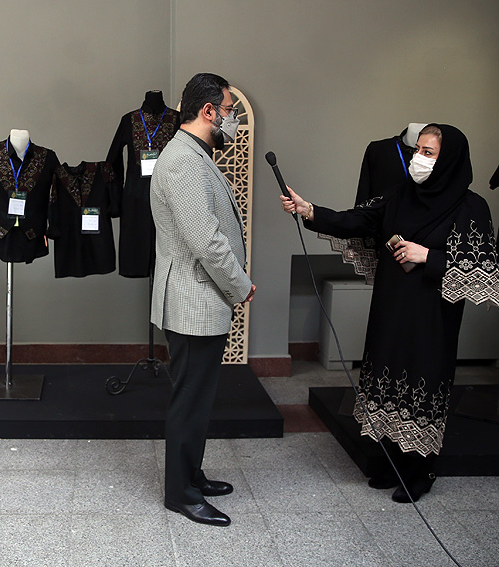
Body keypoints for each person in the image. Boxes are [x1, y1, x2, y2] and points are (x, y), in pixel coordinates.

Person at [281, 124, 499, 502]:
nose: (419, 159)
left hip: (432, 315)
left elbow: (481, 268)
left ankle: (421, 471)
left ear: (449, 160)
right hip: (391, 305)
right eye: (418, 150)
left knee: (422, 381)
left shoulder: (471, 207)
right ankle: (392, 462)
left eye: (429, 153)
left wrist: (427, 256)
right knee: (387, 373)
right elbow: (359, 220)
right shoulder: (401, 194)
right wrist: (311, 211)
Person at [150, 73, 255, 526]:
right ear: (208, 111)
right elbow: (206, 242)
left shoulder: (194, 154)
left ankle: (192, 474)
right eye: (229, 111)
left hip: (200, 297)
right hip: (192, 300)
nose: (232, 120)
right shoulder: (183, 162)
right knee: (190, 401)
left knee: (198, 398)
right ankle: (181, 493)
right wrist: (240, 285)